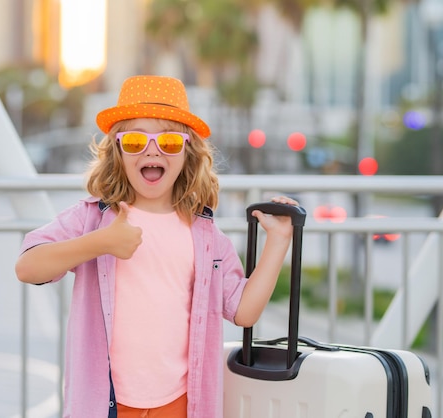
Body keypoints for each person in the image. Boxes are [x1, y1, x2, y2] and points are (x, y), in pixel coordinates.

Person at [15, 75, 298, 418]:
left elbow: (243, 310)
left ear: (187, 153)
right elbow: (27, 267)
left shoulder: (206, 235)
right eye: (135, 141)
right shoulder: (92, 219)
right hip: (107, 404)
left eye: (169, 141)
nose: (152, 149)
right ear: (117, 151)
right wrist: (100, 243)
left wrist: (279, 241)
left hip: (180, 403)